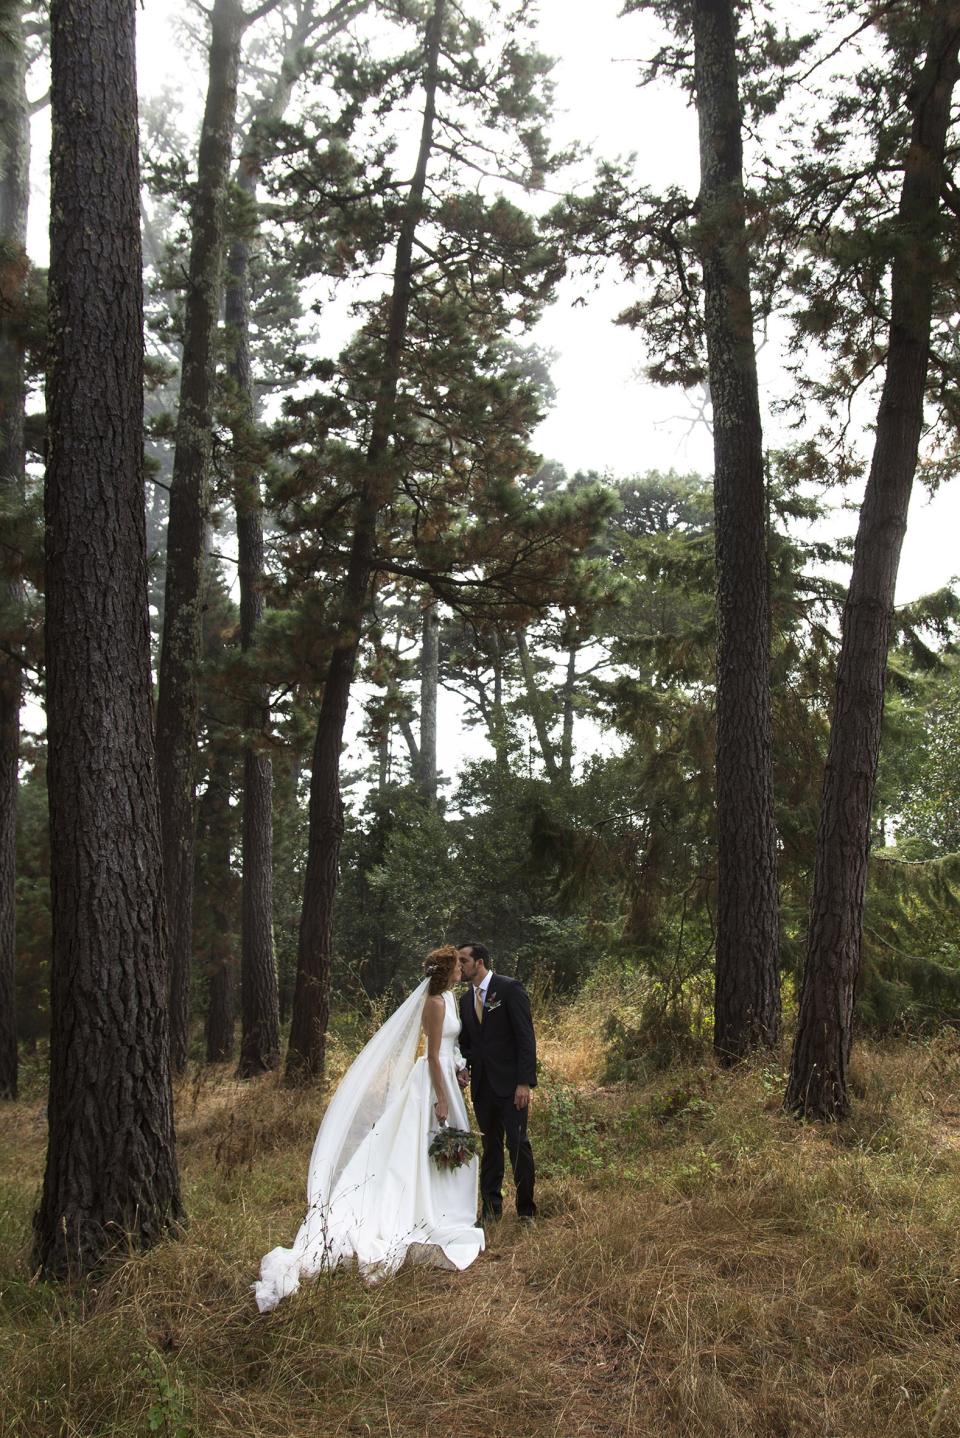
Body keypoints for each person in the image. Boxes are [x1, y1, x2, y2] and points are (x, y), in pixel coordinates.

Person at [253, 946, 484, 1311]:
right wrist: (442, 1096)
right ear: (446, 971)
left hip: (449, 1081)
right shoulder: (435, 1005)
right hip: (431, 1084)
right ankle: (420, 1210)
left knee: (441, 1147)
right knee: (422, 1145)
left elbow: (450, 1051)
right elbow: (433, 1055)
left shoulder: (448, 999)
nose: (462, 971)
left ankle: (442, 1204)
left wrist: (459, 1069)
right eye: (458, 966)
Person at [457, 942, 537, 1222]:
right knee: (491, 1147)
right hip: (482, 1087)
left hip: (511, 1085)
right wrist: (462, 1067)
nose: (460, 966)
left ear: (479, 962)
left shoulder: (509, 988)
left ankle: (526, 1210)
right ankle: (491, 1210)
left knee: (518, 1144)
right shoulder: (465, 1001)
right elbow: (467, 1044)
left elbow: (525, 1037)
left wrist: (524, 1082)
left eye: (463, 961)